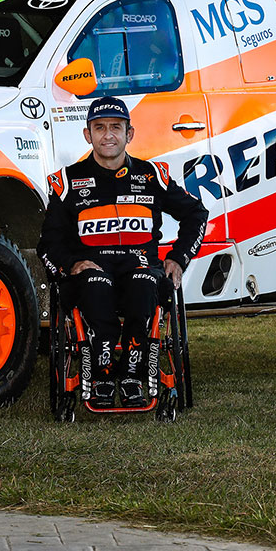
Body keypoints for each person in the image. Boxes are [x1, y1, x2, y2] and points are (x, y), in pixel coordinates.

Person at [38, 97, 207, 408]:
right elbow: (47, 244)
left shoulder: (153, 176)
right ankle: (101, 376)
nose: (108, 135)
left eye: (116, 127)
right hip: (93, 272)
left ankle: (133, 374)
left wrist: (179, 259)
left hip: (140, 267)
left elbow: (197, 214)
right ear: (88, 135)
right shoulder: (67, 183)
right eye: (99, 128)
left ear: (130, 134)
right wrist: (70, 266)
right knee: (94, 285)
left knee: (143, 284)